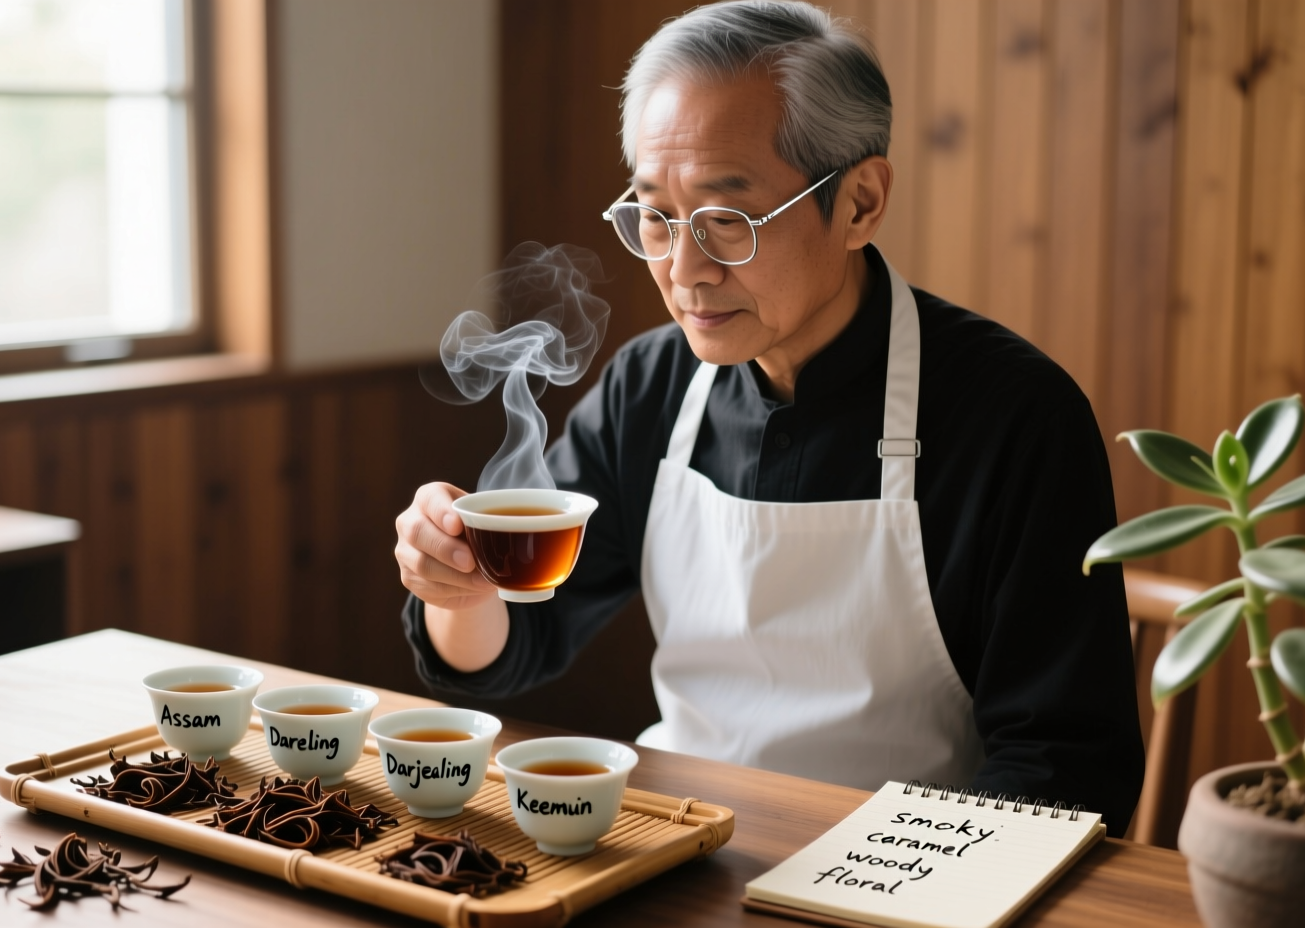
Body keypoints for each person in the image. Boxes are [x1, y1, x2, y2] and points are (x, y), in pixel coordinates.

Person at [392, 0, 1143, 835]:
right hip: (672, 838)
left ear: (860, 201)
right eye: (657, 217)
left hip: (907, 877)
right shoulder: (651, 386)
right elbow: (514, 644)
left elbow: (1067, 769)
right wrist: (455, 584)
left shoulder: (1016, 419)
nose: (684, 272)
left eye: (727, 221)